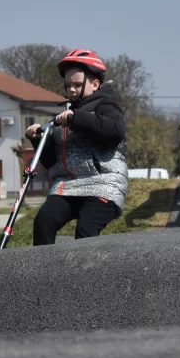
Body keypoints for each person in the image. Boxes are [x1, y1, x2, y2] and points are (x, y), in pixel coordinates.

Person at [25, 49, 128, 242]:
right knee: (43, 221)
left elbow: (115, 131)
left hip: (103, 184)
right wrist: (37, 139)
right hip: (67, 186)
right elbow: (50, 161)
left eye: (78, 85)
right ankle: (43, 270)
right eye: (68, 85)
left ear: (95, 84)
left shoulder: (107, 105)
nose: (71, 90)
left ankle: (87, 273)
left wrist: (77, 118)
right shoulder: (64, 114)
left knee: (85, 231)